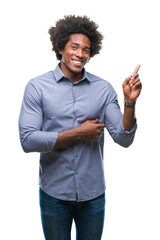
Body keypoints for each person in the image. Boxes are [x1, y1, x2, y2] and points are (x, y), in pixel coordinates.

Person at [19, 15, 142, 240]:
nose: (80, 54)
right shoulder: (37, 87)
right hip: (54, 193)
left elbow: (123, 138)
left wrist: (129, 102)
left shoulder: (103, 89)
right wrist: (78, 133)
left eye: (85, 49)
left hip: (93, 195)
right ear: (60, 48)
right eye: (74, 47)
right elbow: (28, 140)